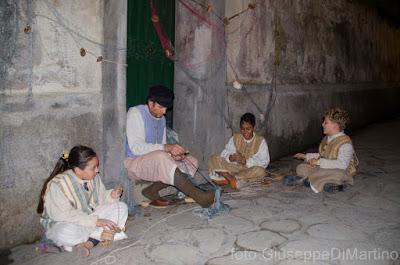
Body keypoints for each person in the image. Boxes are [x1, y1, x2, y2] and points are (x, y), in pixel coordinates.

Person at [124, 85, 215, 208]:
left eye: (166, 108)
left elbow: (161, 147)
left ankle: (151, 190)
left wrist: (173, 155)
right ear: (151, 103)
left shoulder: (160, 118)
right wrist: (166, 148)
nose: (164, 111)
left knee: (190, 161)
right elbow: (136, 148)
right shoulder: (135, 113)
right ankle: (199, 197)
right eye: (161, 107)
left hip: (155, 161)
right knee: (162, 157)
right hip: (135, 164)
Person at [37, 145, 128, 256]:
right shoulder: (58, 185)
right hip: (69, 223)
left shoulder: (94, 178)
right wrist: (96, 222)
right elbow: (64, 215)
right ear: (77, 170)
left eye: (97, 167)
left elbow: (101, 199)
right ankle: (99, 237)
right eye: (93, 168)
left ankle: (87, 242)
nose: (97, 171)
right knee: (65, 232)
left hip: (91, 218)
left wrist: (112, 196)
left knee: (121, 207)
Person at [293, 108, 359, 193]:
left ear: (335, 125)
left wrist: (319, 162)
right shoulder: (327, 139)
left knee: (337, 174)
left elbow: (342, 164)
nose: (322, 124)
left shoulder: (345, 144)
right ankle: (321, 180)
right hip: (326, 168)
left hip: (341, 170)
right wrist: (306, 156)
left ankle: (336, 183)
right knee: (301, 167)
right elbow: (322, 155)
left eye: (326, 122)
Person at [208, 112, 270, 189]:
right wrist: (231, 157)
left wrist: (246, 161)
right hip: (232, 167)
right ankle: (231, 179)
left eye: (248, 129)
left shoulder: (260, 141)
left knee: (261, 171)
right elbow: (224, 153)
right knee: (213, 158)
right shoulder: (235, 138)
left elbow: (264, 161)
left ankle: (227, 177)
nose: (245, 132)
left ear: (253, 128)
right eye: (242, 129)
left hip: (246, 169)